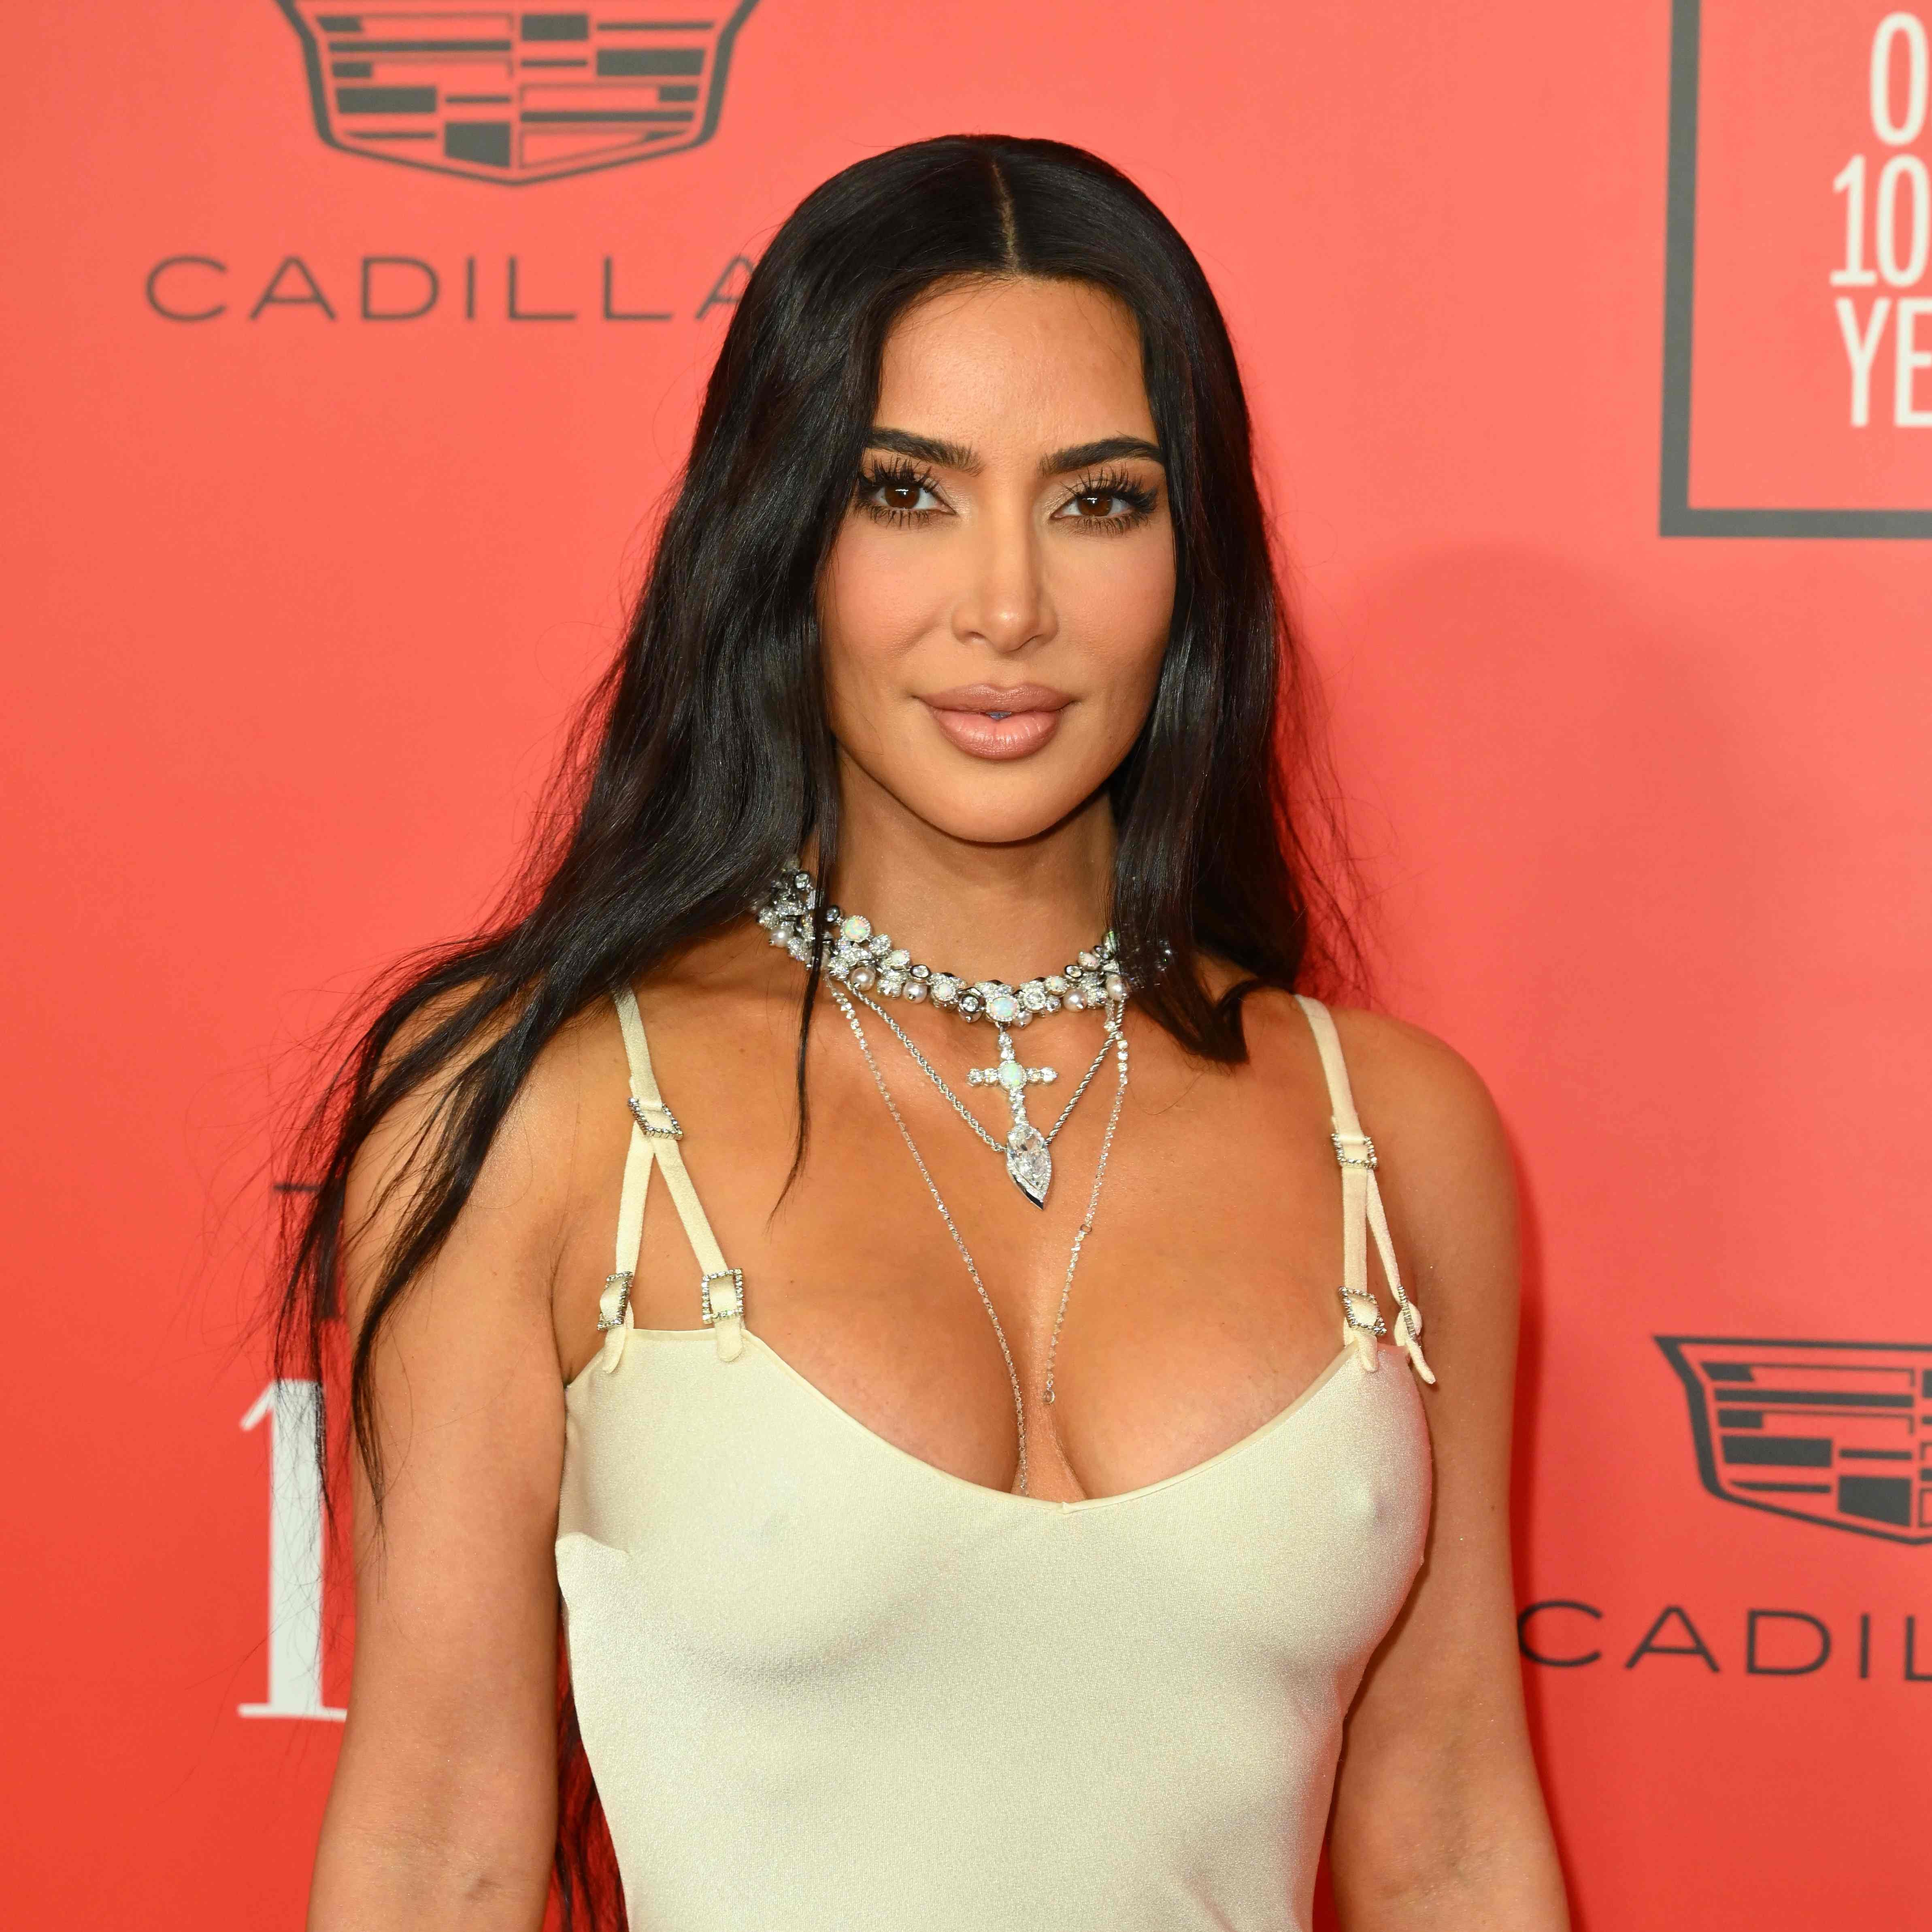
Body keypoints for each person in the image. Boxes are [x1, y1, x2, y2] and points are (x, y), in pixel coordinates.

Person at [286, 134, 1568, 1931]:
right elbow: (440, 1854)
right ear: (778, 531)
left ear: (1192, 555)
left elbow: (1445, 1836)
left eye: (1096, 499)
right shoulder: (544, 1109)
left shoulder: (1394, 1133)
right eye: (907, 491)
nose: (1006, 607)